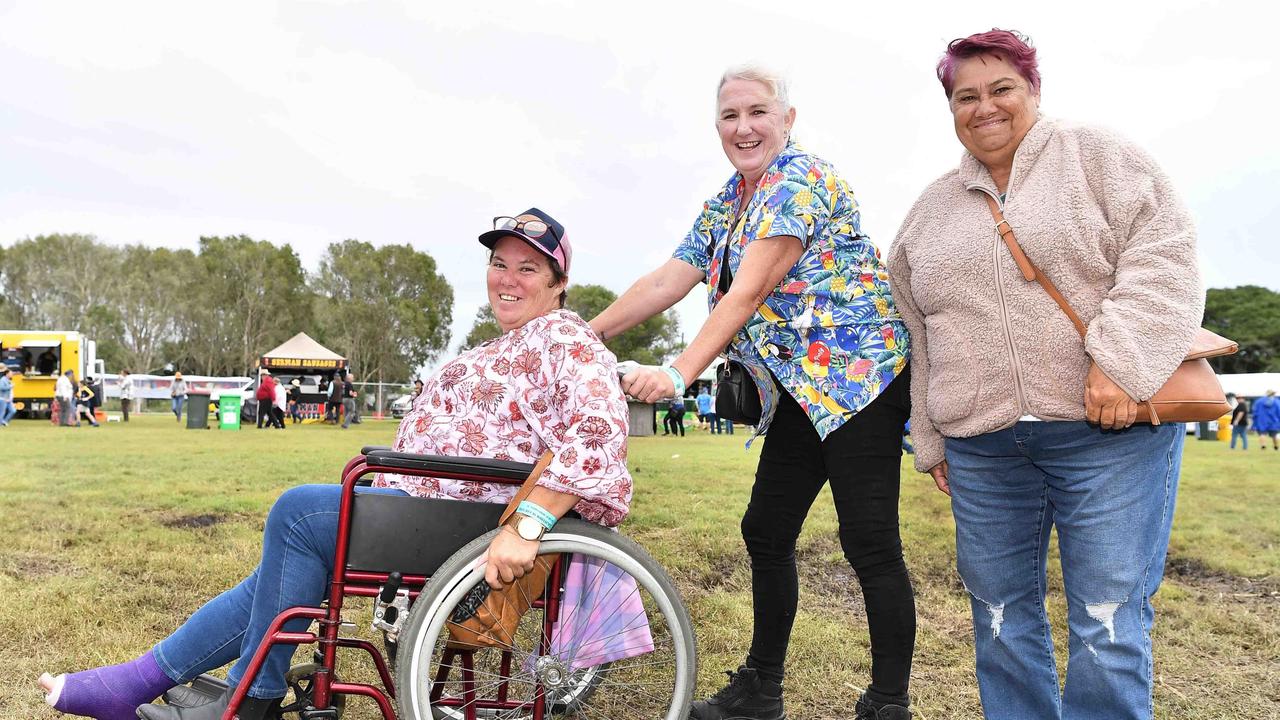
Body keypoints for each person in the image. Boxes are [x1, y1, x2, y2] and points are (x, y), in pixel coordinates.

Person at [39, 208, 635, 720]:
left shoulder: (568, 340)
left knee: (301, 515)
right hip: (432, 508)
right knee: (282, 571)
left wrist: (527, 524)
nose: (507, 279)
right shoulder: (504, 344)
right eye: (499, 265)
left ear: (559, 283)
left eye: (527, 268)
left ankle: (251, 696)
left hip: (471, 523)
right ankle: (144, 683)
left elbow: (598, 436)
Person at [885, 29, 1203, 720]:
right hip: (984, 449)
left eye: (1002, 89)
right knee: (999, 617)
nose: (984, 107)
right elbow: (919, 330)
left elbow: (1165, 255)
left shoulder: (1099, 156)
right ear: (950, 108)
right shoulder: (928, 212)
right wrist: (934, 437)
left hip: (1106, 435)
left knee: (1108, 618)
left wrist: (1116, 363)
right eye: (965, 96)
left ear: (1034, 91)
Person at [590, 66, 914, 720]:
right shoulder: (729, 200)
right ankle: (761, 691)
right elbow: (669, 279)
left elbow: (749, 292)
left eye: (758, 112)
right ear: (717, 128)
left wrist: (679, 374)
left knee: (869, 540)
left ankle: (887, 704)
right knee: (765, 530)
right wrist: (578, 333)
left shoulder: (801, 182)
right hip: (799, 389)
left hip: (860, 382)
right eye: (730, 116)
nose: (744, 127)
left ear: (787, 119)